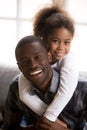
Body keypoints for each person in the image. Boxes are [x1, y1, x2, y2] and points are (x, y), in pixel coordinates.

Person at [18, 5, 79, 123]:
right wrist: (54, 122)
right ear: (43, 39)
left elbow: (65, 92)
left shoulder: (69, 59)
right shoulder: (35, 60)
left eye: (67, 42)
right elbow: (24, 94)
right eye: (55, 41)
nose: (61, 48)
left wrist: (50, 118)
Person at [3, 35, 69, 130]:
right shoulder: (16, 87)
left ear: (49, 57)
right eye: (25, 62)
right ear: (19, 67)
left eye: (37, 57)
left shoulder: (81, 89)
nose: (33, 65)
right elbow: (8, 127)